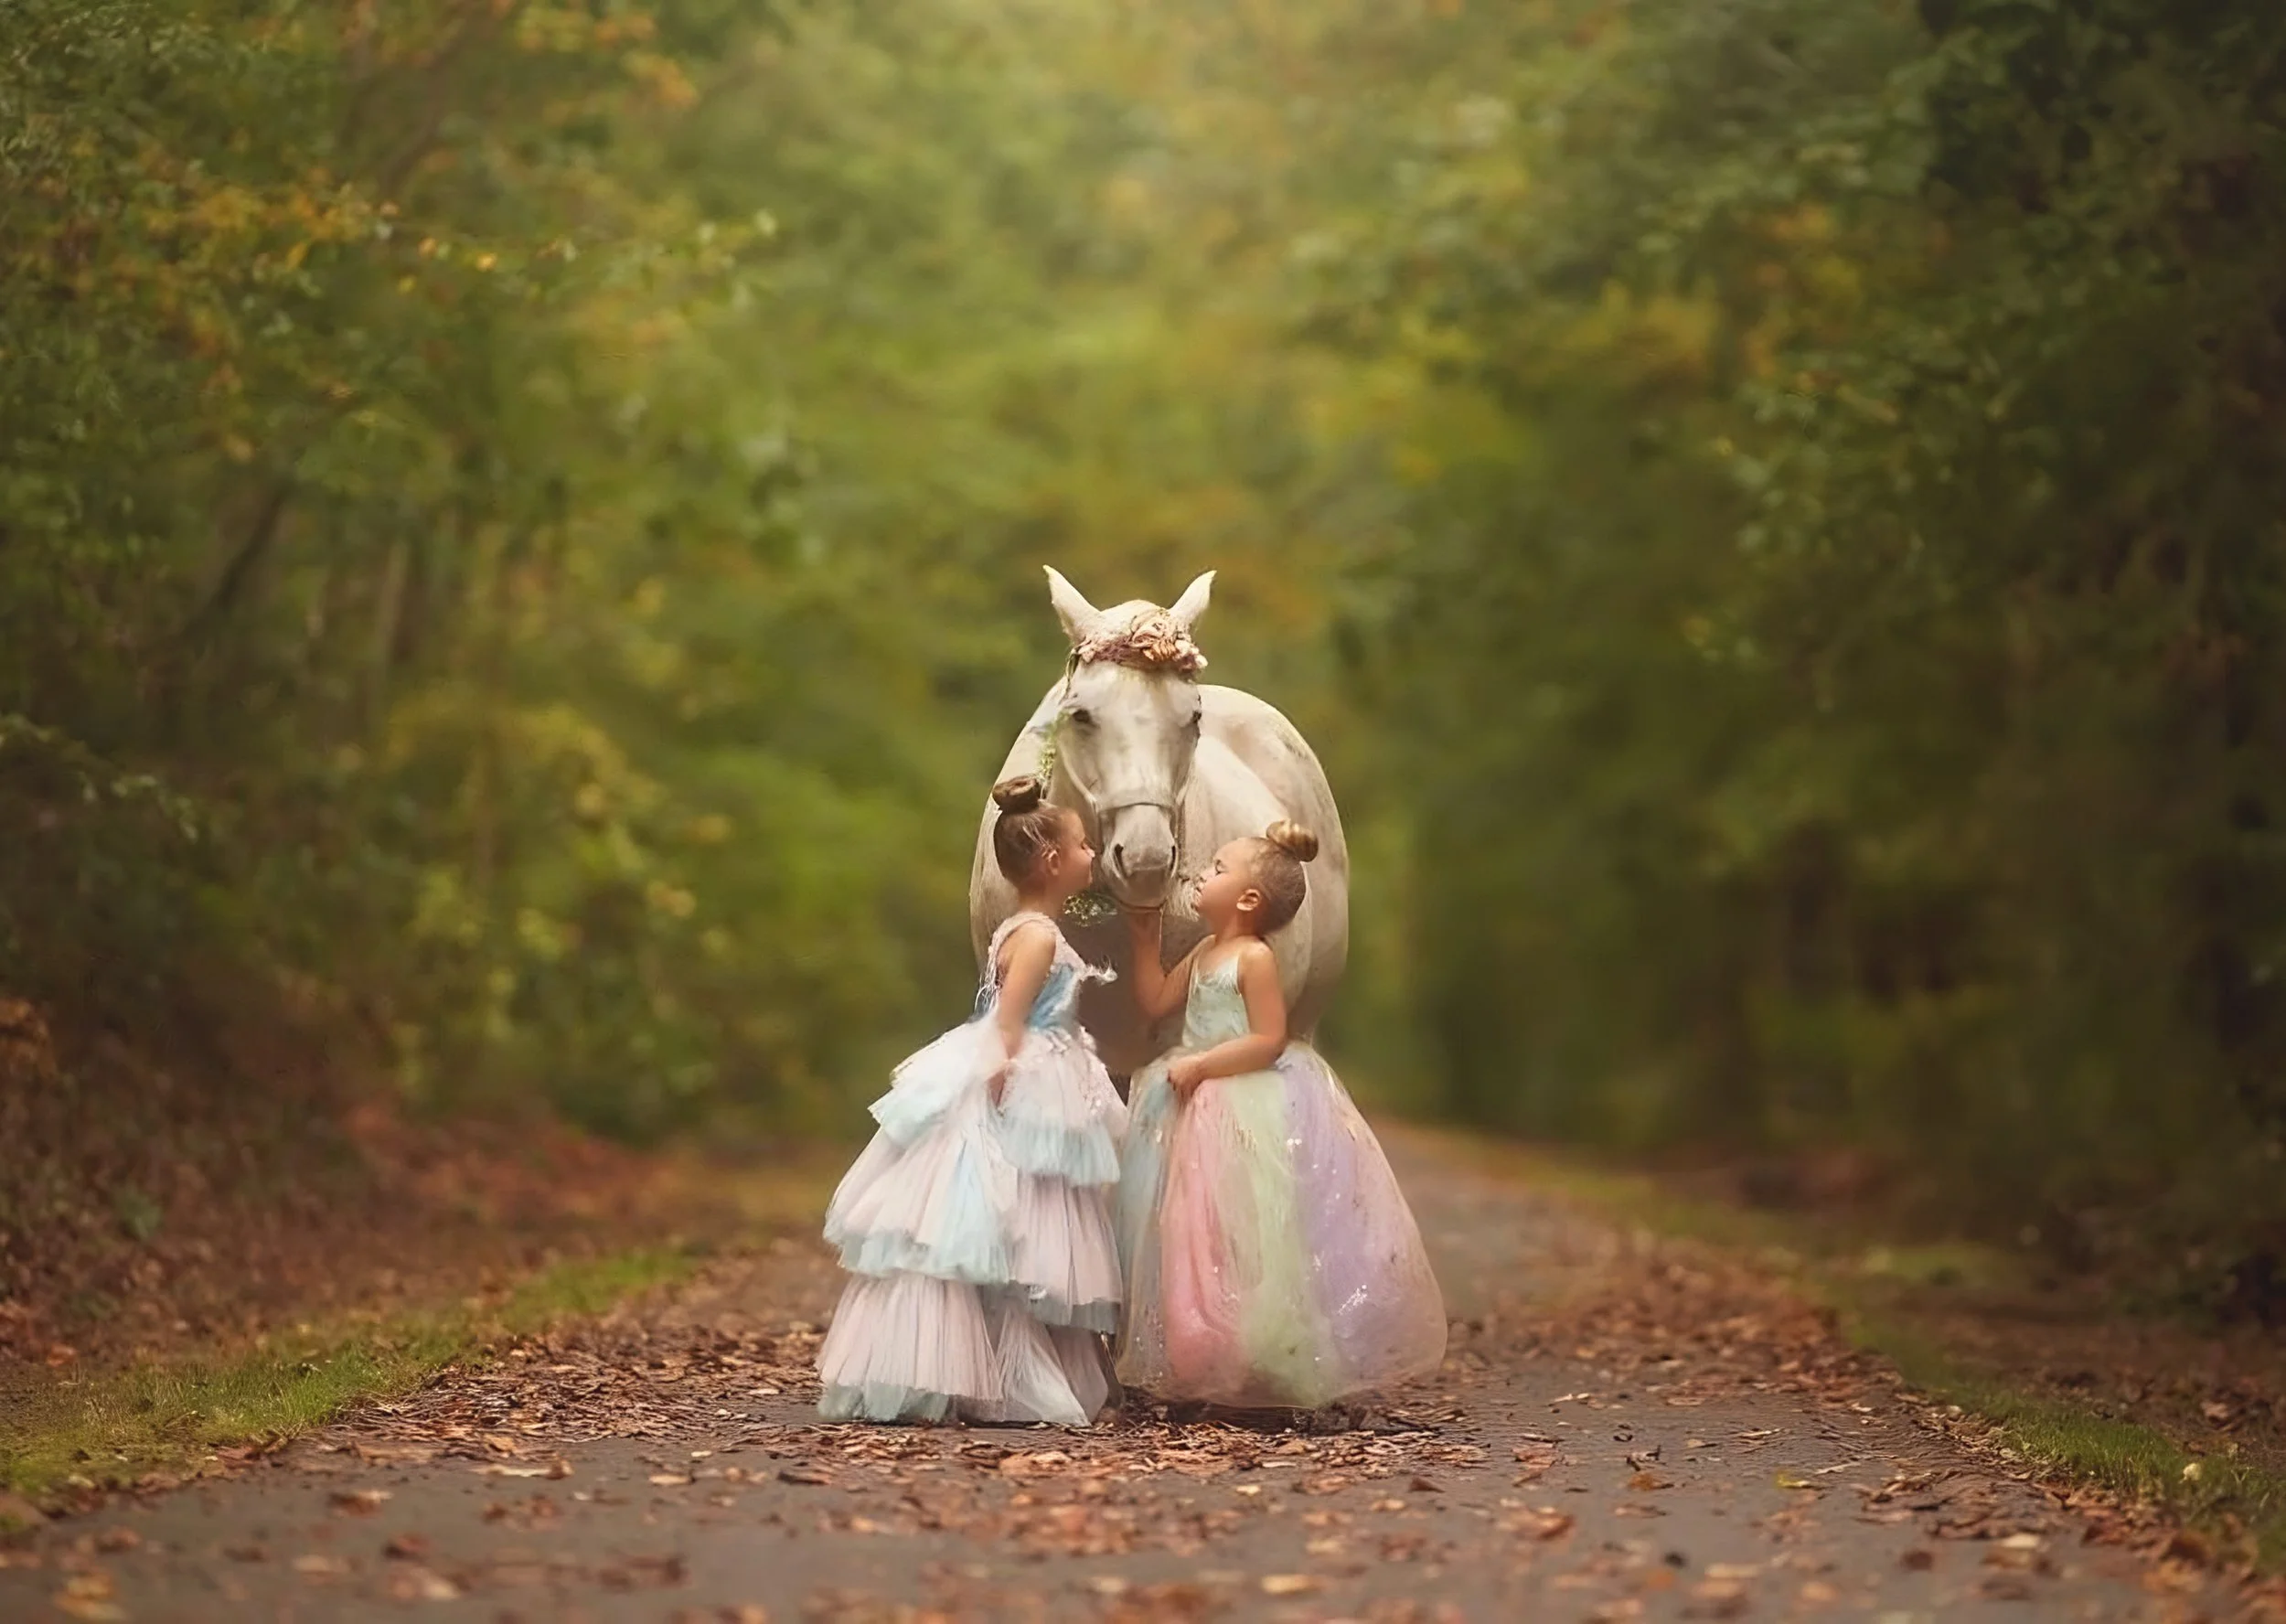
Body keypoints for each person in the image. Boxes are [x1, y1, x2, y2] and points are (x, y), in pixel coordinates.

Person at [815, 776, 1127, 1424]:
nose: (1093, 856)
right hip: (1024, 1071)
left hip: (1031, 1064)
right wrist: (1000, 1093)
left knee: (1024, 1227)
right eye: (1083, 846)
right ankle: (1008, 1372)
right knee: (1025, 1226)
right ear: (1052, 862)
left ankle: (1013, 1360)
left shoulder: (1015, 925)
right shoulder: (1037, 936)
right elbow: (1008, 1024)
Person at [1115, 821, 1446, 1409]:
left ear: (1246, 900)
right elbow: (1158, 1001)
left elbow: (1269, 1039)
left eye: (1216, 869)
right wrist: (1144, 938)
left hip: (1235, 1104)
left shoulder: (1253, 958)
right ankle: (1195, 1343)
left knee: (1243, 1222)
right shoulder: (1204, 949)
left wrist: (1205, 1065)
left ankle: (1257, 1343)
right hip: (1190, 1103)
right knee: (1188, 1224)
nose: (1201, 874)